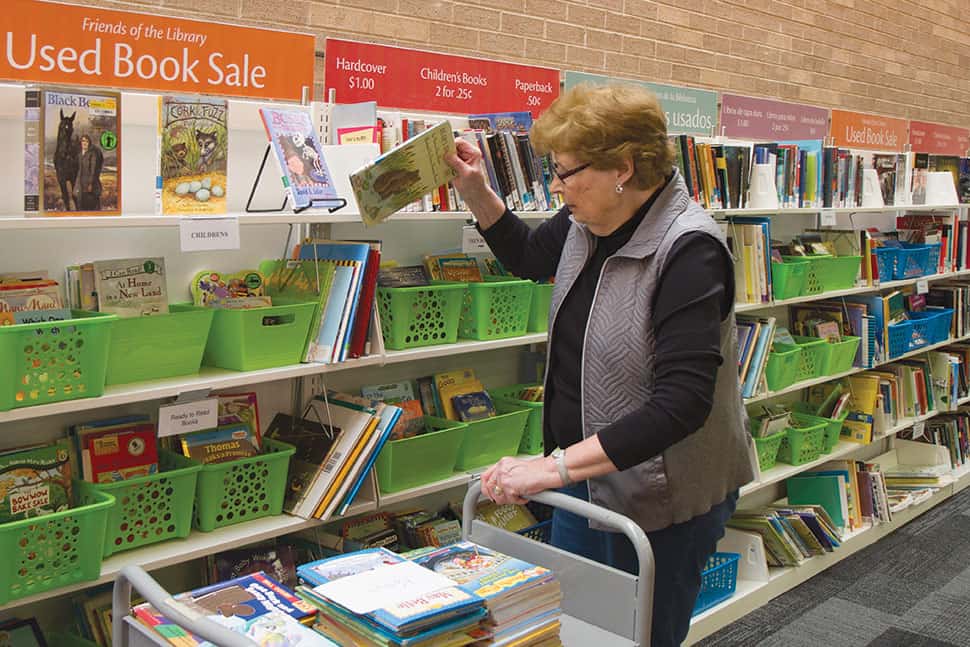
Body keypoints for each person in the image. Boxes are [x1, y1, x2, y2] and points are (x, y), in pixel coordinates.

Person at [445, 83, 755, 647]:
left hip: (656, 494)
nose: (558, 188)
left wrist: (552, 469)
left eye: (566, 172)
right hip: (583, 476)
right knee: (582, 629)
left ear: (624, 167)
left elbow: (681, 403)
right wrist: (477, 194)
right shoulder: (588, 222)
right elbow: (530, 255)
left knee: (638, 634)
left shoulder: (690, 249)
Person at [75, 133, 103, 211]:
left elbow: (93, 170)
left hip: (90, 183)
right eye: (83, 141)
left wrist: (90, 183)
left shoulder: (92, 154)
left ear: (89, 143)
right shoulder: (79, 155)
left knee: (92, 204)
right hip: (81, 183)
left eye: (86, 141)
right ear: (81, 143)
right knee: (81, 204)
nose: (84, 143)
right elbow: (79, 170)